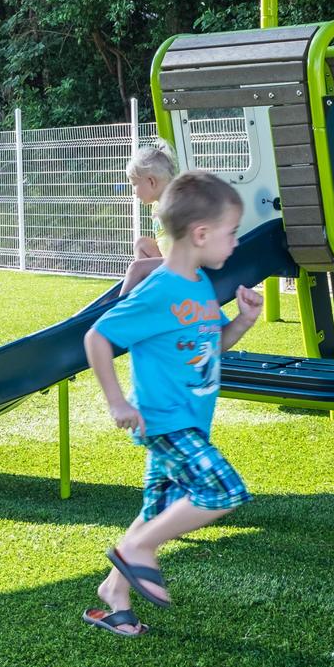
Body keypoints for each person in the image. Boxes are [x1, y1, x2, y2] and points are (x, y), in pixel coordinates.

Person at [81, 171, 263, 637]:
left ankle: (113, 596)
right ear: (201, 234)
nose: (236, 243)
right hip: (163, 420)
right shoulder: (160, 289)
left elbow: (209, 345)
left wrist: (242, 322)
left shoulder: (199, 284)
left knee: (157, 509)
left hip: (191, 421)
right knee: (223, 491)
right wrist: (116, 401)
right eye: (232, 232)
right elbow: (98, 337)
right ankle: (136, 549)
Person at [120, 141, 179, 294]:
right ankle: (146, 290)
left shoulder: (176, 203)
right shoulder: (156, 205)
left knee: (135, 268)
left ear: (151, 181)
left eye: (134, 184)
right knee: (142, 243)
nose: (134, 191)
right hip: (168, 262)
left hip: (183, 266)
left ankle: (120, 310)